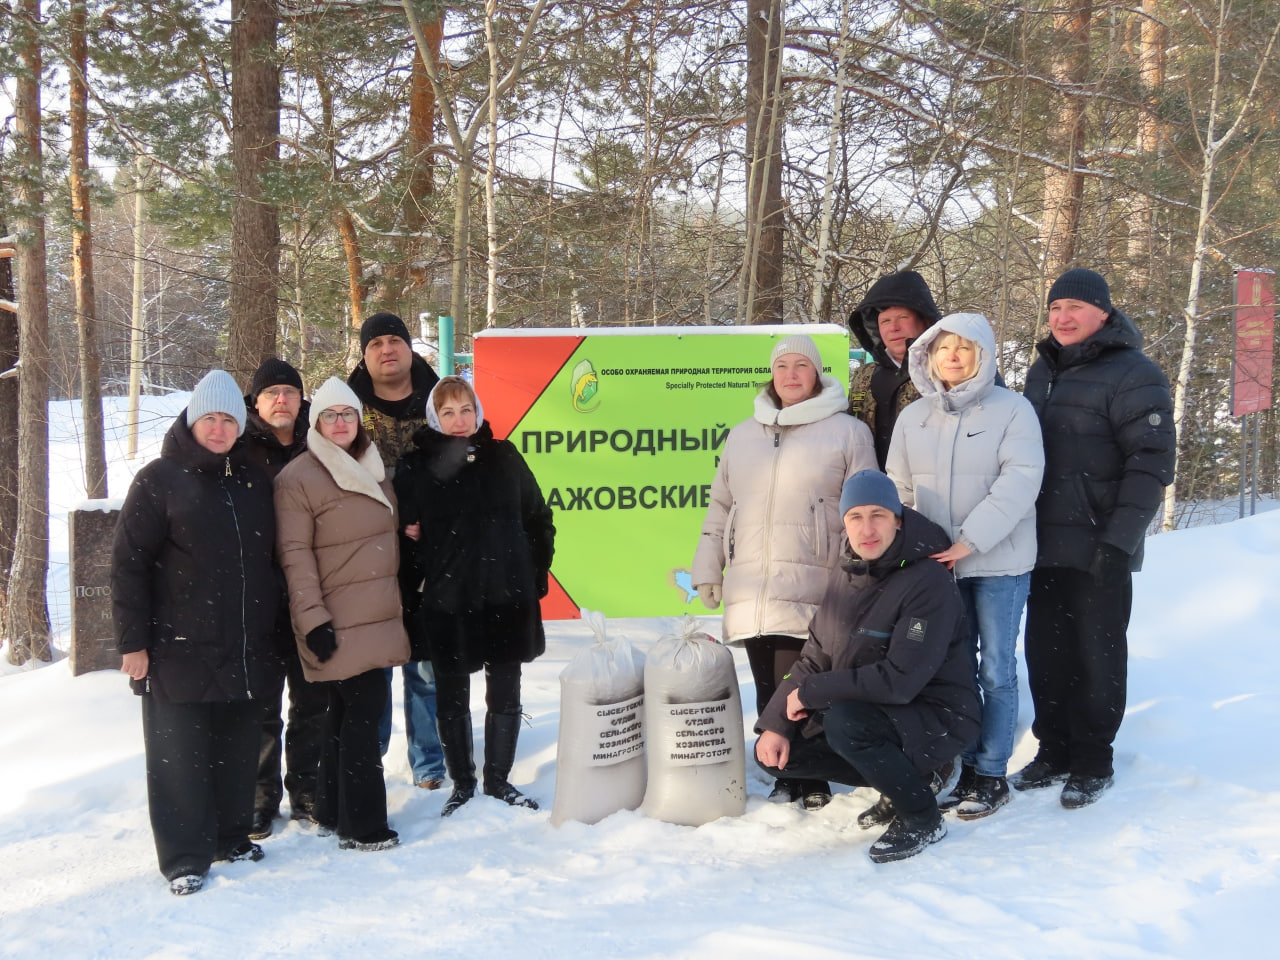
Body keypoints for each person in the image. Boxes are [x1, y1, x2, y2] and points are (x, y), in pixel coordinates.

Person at [112, 369, 282, 896]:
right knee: (179, 760)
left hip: (245, 643)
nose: (219, 428)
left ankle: (230, 836)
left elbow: (271, 560)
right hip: (176, 647)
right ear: (192, 420)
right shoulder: (159, 479)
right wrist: (132, 643)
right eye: (210, 417)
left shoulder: (254, 480)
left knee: (236, 752)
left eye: (229, 419)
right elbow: (128, 565)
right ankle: (185, 857)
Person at [754, 470, 979, 863]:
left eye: (878, 515)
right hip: (886, 711)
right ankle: (905, 783)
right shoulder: (847, 576)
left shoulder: (928, 581)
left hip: (938, 715)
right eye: (855, 517)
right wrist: (776, 723)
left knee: (845, 723)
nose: (867, 528)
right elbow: (814, 656)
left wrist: (811, 693)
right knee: (786, 752)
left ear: (898, 520)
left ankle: (921, 816)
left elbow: (900, 682)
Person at [1013, 268, 1175, 808]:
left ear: (1102, 313)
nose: (1062, 318)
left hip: (1099, 545)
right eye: (1055, 308)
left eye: (1074, 308)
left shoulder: (1135, 373)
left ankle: (1092, 756)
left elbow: (1150, 464)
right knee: (1045, 651)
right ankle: (1053, 748)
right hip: (1039, 544)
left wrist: (1119, 542)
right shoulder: (1042, 372)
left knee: (1097, 654)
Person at [692, 334, 876, 810]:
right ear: (770, 375)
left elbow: (865, 508)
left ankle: (811, 772)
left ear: (817, 374)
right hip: (753, 582)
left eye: (802, 366)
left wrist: (861, 573)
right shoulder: (743, 434)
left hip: (819, 578)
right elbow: (720, 506)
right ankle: (784, 772)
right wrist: (708, 567)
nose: (791, 375)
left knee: (806, 681)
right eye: (782, 367)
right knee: (769, 683)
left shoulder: (847, 432)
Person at [886, 312, 1044, 818]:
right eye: (942, 347)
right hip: (938, 566)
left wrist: (969, 540)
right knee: (951, 669)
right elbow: (900, 488)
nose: (952, 356)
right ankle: (959, 761)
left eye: (965, 347)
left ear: (984, 355)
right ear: (926, 356)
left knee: (996, 668)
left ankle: (990, 771)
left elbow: (1020, 479)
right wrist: (916, 545)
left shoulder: (1013, 411)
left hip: (999, 562)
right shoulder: (914, 418)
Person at [394, 376, 555, 817]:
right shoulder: (415, 467)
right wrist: (417, 571)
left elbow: (539, 518)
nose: (459, 420)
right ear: (434, 417)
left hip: (507, 595)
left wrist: (533, 575)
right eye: (448, 412)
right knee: (451, 694)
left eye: (466, 409)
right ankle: (462, 783)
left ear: (478, 411)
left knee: (506, 689)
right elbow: (402, 534)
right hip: (449, 600)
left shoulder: (503, 456)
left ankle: (498, 779)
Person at [274, 377, 410, 851]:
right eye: (329, 415)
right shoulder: (299, 478)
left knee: (343, 712)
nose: (339, 423)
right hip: (339, 618)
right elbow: (295, 555)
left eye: (347, 414)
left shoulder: (372, 467)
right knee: (363, 715)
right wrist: (312, 619)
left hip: (376, 613)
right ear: (316, 422)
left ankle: (334, 808)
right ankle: (364, 825)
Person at [346, 312, 446, 791]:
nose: (387, 349)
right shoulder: (347, 411)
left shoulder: (439, 403)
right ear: (365, 356)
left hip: (429, 559)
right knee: (375, 668)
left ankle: (429, 762)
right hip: (366, 560)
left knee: (425, 666)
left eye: (395, 341)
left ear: (410, 349)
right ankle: (371, 758)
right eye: (376, 343)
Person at [241, 357, 327, 838]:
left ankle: (308, 789)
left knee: (311, 699)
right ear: (255, 401)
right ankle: (260, 798)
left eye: (289, 392)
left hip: (312, 590)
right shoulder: (237, 447)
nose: (281, 400)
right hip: (257, 595)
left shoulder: (319, 444)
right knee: (262, 705)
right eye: (271, 392)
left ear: (301, 399)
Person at [847, 270, 943, 468]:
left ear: (925, 321)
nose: (893, 328)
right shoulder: (864, 377)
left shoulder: (951, 369)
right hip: (874, 490)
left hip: (931, 490)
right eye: (885, 321)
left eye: (902, 317)